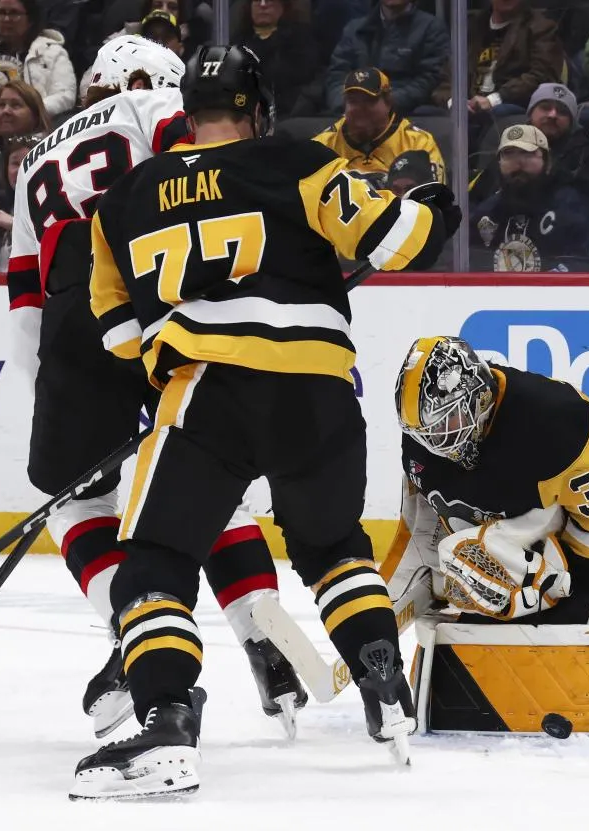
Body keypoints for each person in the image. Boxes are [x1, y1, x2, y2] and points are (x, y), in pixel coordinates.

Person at [75, 44, 460, 799]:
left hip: (207, 393)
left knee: (155, 562)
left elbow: (118, 334)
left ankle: (166, 722)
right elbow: (398, 240)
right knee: (331, 547)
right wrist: (435, 207)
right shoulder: (295, 163)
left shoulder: (124, 200)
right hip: (317, 388)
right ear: (257, 109)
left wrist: (169, 338)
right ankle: (383, 678)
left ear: (191, 113)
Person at [7, 35, 306, 743]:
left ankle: (128, 629)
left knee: (75, 497)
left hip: (71, 316)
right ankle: (262, 630)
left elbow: (25, 303)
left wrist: (58, 398)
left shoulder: (33, 162)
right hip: (154, 286)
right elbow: (208, 178)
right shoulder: (157, 105)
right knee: (203, 474)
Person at [385, 334, 589, 627]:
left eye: (445, 423)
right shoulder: (421, 446)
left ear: (477, 395)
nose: (437, 442)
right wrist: (379, 617)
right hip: (548, 573)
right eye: (425, 433)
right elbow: (420, 534)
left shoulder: (553, 421)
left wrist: (548, 580)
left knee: (583, 670)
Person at [469, 82, 589, 227]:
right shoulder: (510, 149)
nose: (552, 115)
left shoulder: (588, 156)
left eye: (562, 111)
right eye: (545, 107)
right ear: (530, 113)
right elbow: (475, 200)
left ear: (572, 122)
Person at [471, 125, 589, 272]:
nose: (518, 162)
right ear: (499, 163)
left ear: (547, 162)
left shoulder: (572, 206)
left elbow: (586, 269)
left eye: (527, 153)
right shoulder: (487, 212)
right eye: (509, 154)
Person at [312, 67, 446, 190]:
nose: (360, 108)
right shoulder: (323, 145)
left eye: (369, 101)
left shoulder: (418, 143)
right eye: (353, 101)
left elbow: (435, 201)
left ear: (388, 103)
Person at [325, 0, 449, 116]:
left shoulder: (431, 28)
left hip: (406, 115)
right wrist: (346, 103)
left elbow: (429, 80)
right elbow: (337, 74)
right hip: (352, 113)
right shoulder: (354, 29)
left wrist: (385, 103)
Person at [465, 0, 564, 118]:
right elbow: (449, 73)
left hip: (511, 105)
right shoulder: (473, 26)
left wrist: (494, 99)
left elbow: (542, 76)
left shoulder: (541, 28)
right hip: (468, 104)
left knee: (496, 114)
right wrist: (455, 102)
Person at [232, 0, 317, 118]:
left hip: (287, 112)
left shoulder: (300, 39)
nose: (263, 5)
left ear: (282, 6)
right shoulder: (237, 41)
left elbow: (301, 76)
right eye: (257, 1)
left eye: (269, 0)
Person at [0, 80, 50, 207]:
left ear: (36, 115)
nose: (5, 111)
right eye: (1, 105)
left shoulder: (50, 153)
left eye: (16, 105)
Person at [0, 133, 41, 273]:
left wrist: (15, 225)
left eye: (29, 161)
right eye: (15, 163)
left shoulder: (57, 207)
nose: (21, 170)